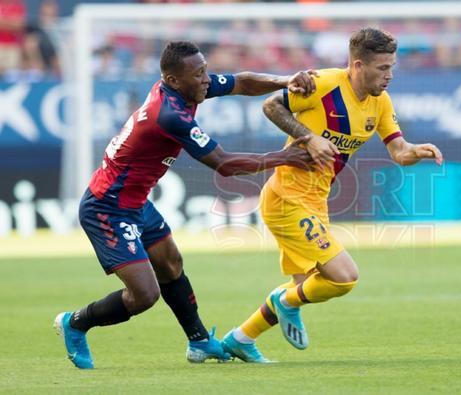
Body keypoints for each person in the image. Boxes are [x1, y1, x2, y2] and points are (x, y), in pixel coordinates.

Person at [53, 41, 317, 369]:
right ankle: (75, 323)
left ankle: (200, 341)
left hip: (135, 202)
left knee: (171, 263)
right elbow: (223, 163)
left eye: (206, 70)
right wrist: (285, 156)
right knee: (144, 296)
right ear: (174, 80)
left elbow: (242, 81)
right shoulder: (169, 115)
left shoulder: (187, 87)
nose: (207, 79)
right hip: (107, 207)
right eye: (199, 74)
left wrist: (284, 80)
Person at [221, 27, 443, 363]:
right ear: (357, 65)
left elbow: (398, 151)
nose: (389, 75)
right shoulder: (322, 83)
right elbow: (270, 106)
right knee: (343, 278)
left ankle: (240, 338)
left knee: (306, 288)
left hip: (314, 201)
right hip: (287, 197)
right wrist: (308, 137)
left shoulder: (380, 102)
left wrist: (418, 151)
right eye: (383, 68)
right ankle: (282, 307)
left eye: (391, 67)